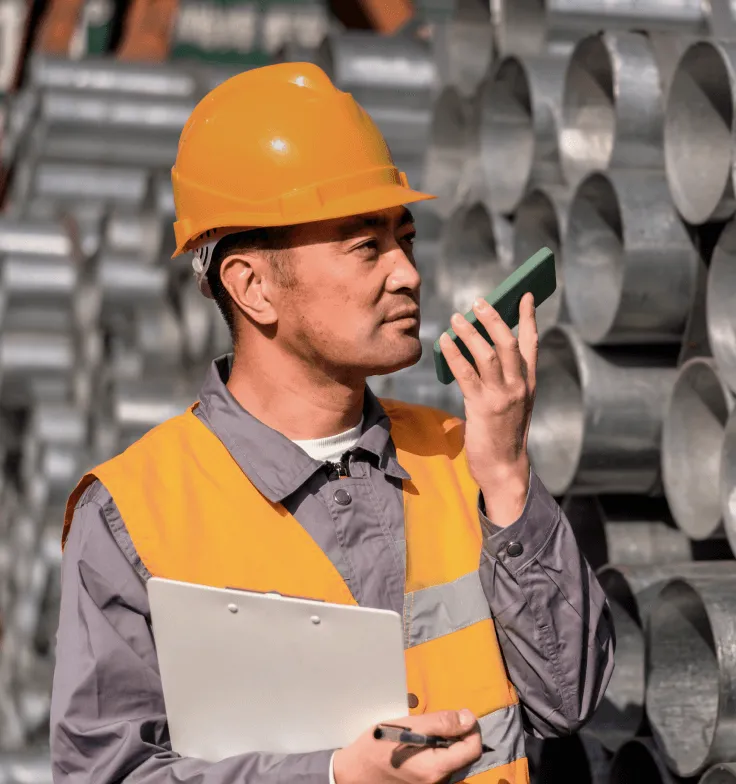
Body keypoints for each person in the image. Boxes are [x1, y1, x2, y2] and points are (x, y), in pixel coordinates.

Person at [50, 62, 614, 784]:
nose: (407, 273)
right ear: (252, 286)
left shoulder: (463, 458)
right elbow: (106, 774)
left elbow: (569, 700)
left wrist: (506, 477)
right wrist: (333, 777)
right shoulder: (133, 516)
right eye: (365, 245)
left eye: (405, 239)